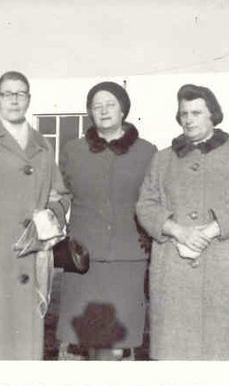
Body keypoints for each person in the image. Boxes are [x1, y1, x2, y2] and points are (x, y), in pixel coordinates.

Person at [136, 84, 229, 360]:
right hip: (173, 268)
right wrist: (177, 231)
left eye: (196, 113)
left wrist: (211, 230)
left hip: (222, 266)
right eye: (184, 114)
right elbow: (145, 205)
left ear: (212, 115)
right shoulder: (162, 159)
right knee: (174, 353)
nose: (189, 119)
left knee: (220, 353)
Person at [0, 71, 69, 360]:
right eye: (7, 94)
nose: (14, 100)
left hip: (31, 256)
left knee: (24, 346)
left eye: (20, 94)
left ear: (29, 99)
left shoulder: (42, 144)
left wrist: (49, 219)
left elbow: (60, 194)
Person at [56, 81, 157, 360]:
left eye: (110, 104)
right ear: (89, 112)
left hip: (128, 258)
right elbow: (60, 195)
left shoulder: (147, 152)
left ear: (123, 110)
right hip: (83, 259)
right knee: (87, 339)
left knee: (118, 344)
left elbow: (156, 200)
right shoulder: (73, 150)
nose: (103, 110)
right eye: (96, 106)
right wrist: (50, 218)